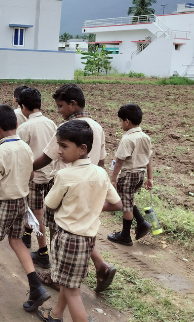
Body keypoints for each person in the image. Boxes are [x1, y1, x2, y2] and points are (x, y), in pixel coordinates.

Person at [32, 84, 115, 293]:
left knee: (59, 230)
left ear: (73, 104)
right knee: (83, 230)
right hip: (91, 185)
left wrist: (24, 168)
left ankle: (56, 275)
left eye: (61, 106)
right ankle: (101, 265)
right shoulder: (97, 127)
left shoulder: (68, 129)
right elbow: (102, 161)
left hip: (67, 186)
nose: (59, 111)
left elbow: (47, 157)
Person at [39, 120, 123, 322]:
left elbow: (50, 204)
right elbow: (117, 204)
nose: (59, 151)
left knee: (72, 290)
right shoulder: (101, 173)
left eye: (64, 146)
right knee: (68, 282)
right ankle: (56, 314)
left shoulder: (64, 175)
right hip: (87, 240)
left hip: (68, 239)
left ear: (82, 148)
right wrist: (92, 207)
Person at [0, 105, 50, 313]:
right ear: (15, 124)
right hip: (21, 202)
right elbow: (30, 175)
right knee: (17, 241)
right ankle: (35, 286)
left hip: (3, 204)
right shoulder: (25, 148)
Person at [16, 88, 57, 270]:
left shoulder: (24, 128)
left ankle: (43, 252)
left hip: (35, 177)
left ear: (23, 107)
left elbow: (20, 154)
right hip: (51, 175)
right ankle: (52, 251)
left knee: (36, 215)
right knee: (51, 216)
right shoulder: (52, 124)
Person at [108, 104, 154, 246]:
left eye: (121, 120)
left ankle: (125, 236)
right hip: (140, 174)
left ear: (127, 121)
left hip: (129, 175)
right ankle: (142, 223)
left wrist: (113, 179)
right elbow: (148, 159)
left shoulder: (127, 139)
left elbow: (119, 161)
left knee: (126, 206)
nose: (120, 123)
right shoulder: (145, 137)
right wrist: (150, 178)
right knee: (128, 199)